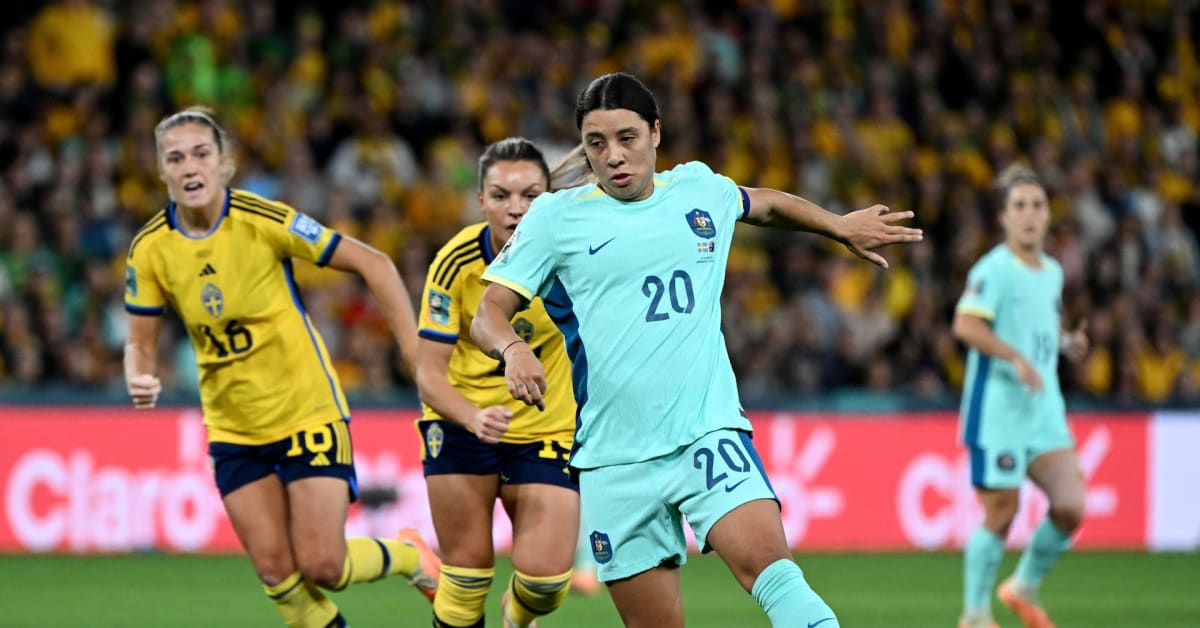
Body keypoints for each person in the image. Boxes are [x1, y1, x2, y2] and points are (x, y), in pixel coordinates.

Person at [470, 72, 922, 628]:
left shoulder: (698, 190)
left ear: (657, 133)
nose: (613, 155)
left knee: (772, 571)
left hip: (705, 433)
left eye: (627, 137)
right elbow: (488, 311)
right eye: (596, 143)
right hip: (615, 458)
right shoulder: (555, 219)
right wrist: (514, 349)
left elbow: (766, 205)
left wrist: (837, 225)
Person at [123, 107, 440, 627]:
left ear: (224, 163)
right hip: (233, 427)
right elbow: (139, 342)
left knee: (323, 565)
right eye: (175, 158)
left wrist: (414, 356)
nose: (188, 167)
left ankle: (410, 555)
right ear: (161, 171)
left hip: (305, 410)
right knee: (275, 572)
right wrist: (138, 372)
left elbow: (374, 263)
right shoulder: (150, 249)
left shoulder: (262, 220)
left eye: (201, 153)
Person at [414, 137, 580, 628]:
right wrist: (471, 417)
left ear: (548, 197)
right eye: (502, 195)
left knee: (546, 585)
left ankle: (516, 616)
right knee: (466, 588)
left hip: (547, 427)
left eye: (530, 195)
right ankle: (429, 570)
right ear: (481, 199)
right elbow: (427, 374)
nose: (516, 209)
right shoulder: (455, 262)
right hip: (463, 423)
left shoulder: (574, 256)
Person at [952, 164, 1089, 628]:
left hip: (1044, 410)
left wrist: (1066, 342)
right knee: (1002, 511)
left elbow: (1038, 327)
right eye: (1019, 206)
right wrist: (1013, 358)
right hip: (998, 412)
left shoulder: (1051, 272)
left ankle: (1023, 585)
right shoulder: (993, 270)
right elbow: (966, 325)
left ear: (1048, 215)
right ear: (1004, 218)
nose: (1029, 214)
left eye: (1037, 205)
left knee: (1071, 506)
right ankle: (974, 614)